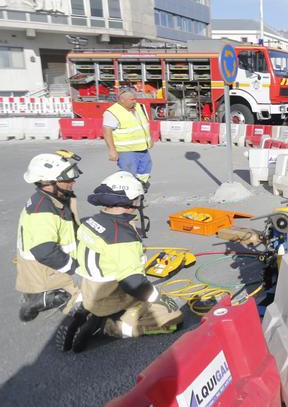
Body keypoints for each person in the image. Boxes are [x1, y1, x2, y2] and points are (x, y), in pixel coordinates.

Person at [57, 171, 181, 353]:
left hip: (88, 287)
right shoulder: (122, 236)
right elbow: (133, 282)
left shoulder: (89, 222)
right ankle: (108, 325)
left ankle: (83, 309)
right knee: (172, 317)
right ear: (130, 201)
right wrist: (157, 297)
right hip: (112, 293)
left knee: (100, 295)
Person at [16, 151, 82, 322]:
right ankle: (46, 297)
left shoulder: (52, 198)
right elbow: (44, 251)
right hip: (45, 271)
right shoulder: (43, 211)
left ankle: (42, 292)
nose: (73, 181)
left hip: (43, 266)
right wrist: (74, 270)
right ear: (48, 182)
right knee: (95, 297)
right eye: (67, 179)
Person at [103, 88, 153, 187]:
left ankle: (141, 185)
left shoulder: (139, 107)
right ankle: (129, 191)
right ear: (122, 100)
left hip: (142, 147)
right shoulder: (112, 112)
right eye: (132, 100)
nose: (135, 101)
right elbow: (107, 131)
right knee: (129, 172)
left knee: (146, 168)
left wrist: (149, 138)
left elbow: (144, 124)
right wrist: (112, 150)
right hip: (126, 150)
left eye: (135, 99)